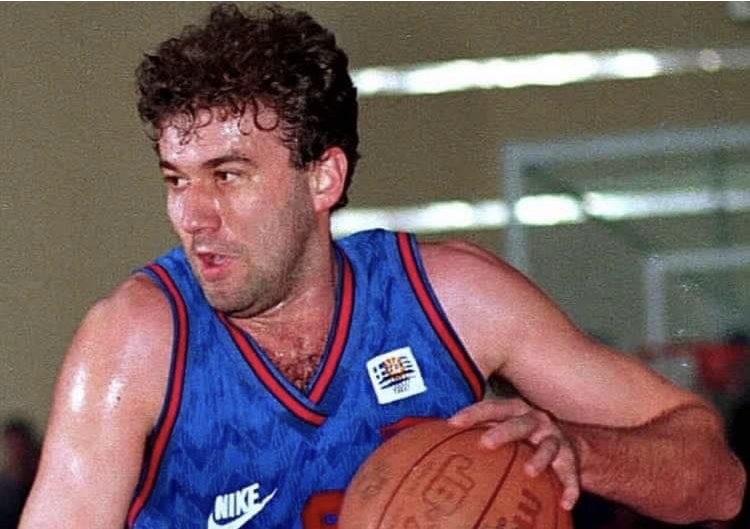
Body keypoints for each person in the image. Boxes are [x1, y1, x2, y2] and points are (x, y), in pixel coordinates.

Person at [20, 4, 744, 528]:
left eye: (228, 175)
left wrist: (579, 451)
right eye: (176, 179)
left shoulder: (451, 299)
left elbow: (720, 479)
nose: (192, 215)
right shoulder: (138, 342)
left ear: (323, 178)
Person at [0, 418, 40, 528]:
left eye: (18, 445)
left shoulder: (41, 480)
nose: (16, 451)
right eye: (12, 446)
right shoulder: (5, 486)